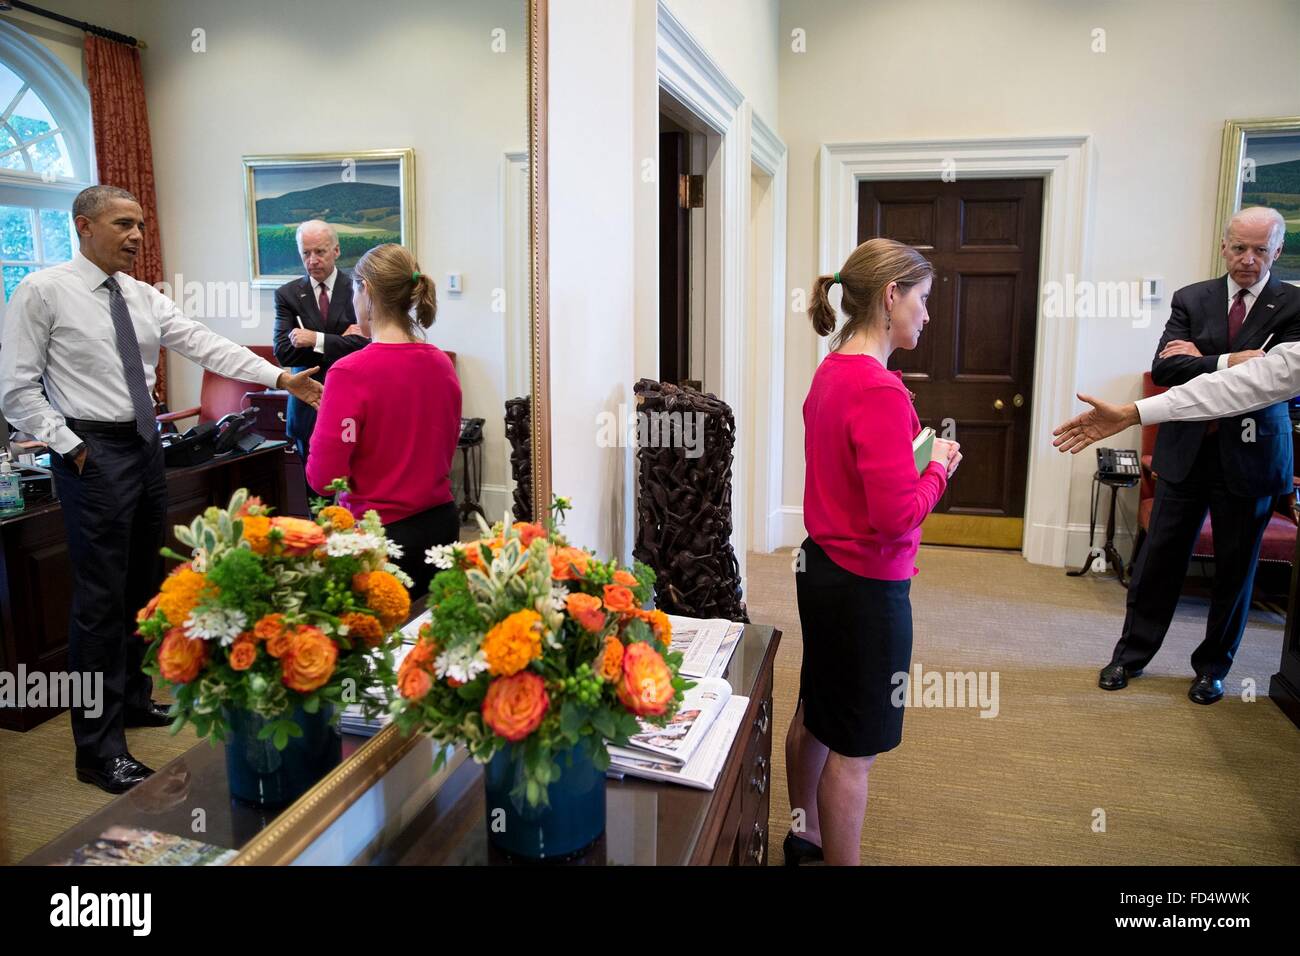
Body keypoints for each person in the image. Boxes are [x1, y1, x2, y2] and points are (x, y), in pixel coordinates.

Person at [0, 185, 322, 794]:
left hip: (146, 448)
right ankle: (97, 749)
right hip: (90, 452)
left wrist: (281, 376)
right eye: (124, 224)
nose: (137, 236)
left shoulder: (142, 296)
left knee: (143, 586)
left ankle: (132, 700)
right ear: (83, 226)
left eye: (142, 225)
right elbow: (15, 388)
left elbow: (206, 344)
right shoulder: (42, 291)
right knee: (98, 602)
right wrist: (68, 445)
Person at [1055, 207, 1300, 704]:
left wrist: (1198, 360)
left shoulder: (1294, 304)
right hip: (1185, 451)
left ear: (1278, 250)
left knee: (1236, 570)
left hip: (1253, 453)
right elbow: (1165, 370)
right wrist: (1231, 360)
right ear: (1223, 246)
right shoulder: (1193, 297)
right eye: (1238, 248)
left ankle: (1213, 668)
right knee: (1158, 562)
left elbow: (1274, 381)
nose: (1247, 260)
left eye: (1259, 250)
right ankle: (1130, 656)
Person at [783, 238, 960, 866]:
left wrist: (914, 461)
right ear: (892, 296)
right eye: (923, 300)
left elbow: (851, 479)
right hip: (867, 588)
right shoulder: (880, 390)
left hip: (822, 569)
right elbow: (894, 518)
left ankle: (802, 835)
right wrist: (937, 467)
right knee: (853, 751)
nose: (927, 315)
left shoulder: (832, 370)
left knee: (817, 709)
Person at [305, 243, 461, 594]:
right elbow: (440, 444)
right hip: (440, 526)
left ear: (367, 290)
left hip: (380, 538)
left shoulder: (350, 372)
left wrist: (327, 425)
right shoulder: (441, 364)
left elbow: (324, 479)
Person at [273, 220, 368, 500]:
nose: (312, 261)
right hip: (307, 408)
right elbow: (284, 352)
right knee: (316, 497)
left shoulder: (358, 288)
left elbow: (365, 345)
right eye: (305, 253)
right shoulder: (288, 295)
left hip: (353, 401)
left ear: (336, 250)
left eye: (320, 252)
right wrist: (342, 338)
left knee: (357, 492)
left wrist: (314, 338)